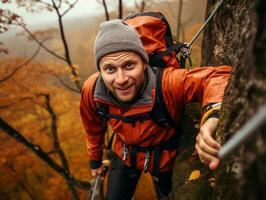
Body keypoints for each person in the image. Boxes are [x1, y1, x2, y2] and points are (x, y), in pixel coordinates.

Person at [80, 19, 231, 199]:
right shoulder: (92, 91)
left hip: (165, 158)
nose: (120, 79)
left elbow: (218, 76)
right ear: (100, 71)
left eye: (129, 65)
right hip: (125, 153)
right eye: (110, 69)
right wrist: (95, 160)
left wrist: (212, 116)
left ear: (144, 63)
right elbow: (93, 127)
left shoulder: (167, 83)